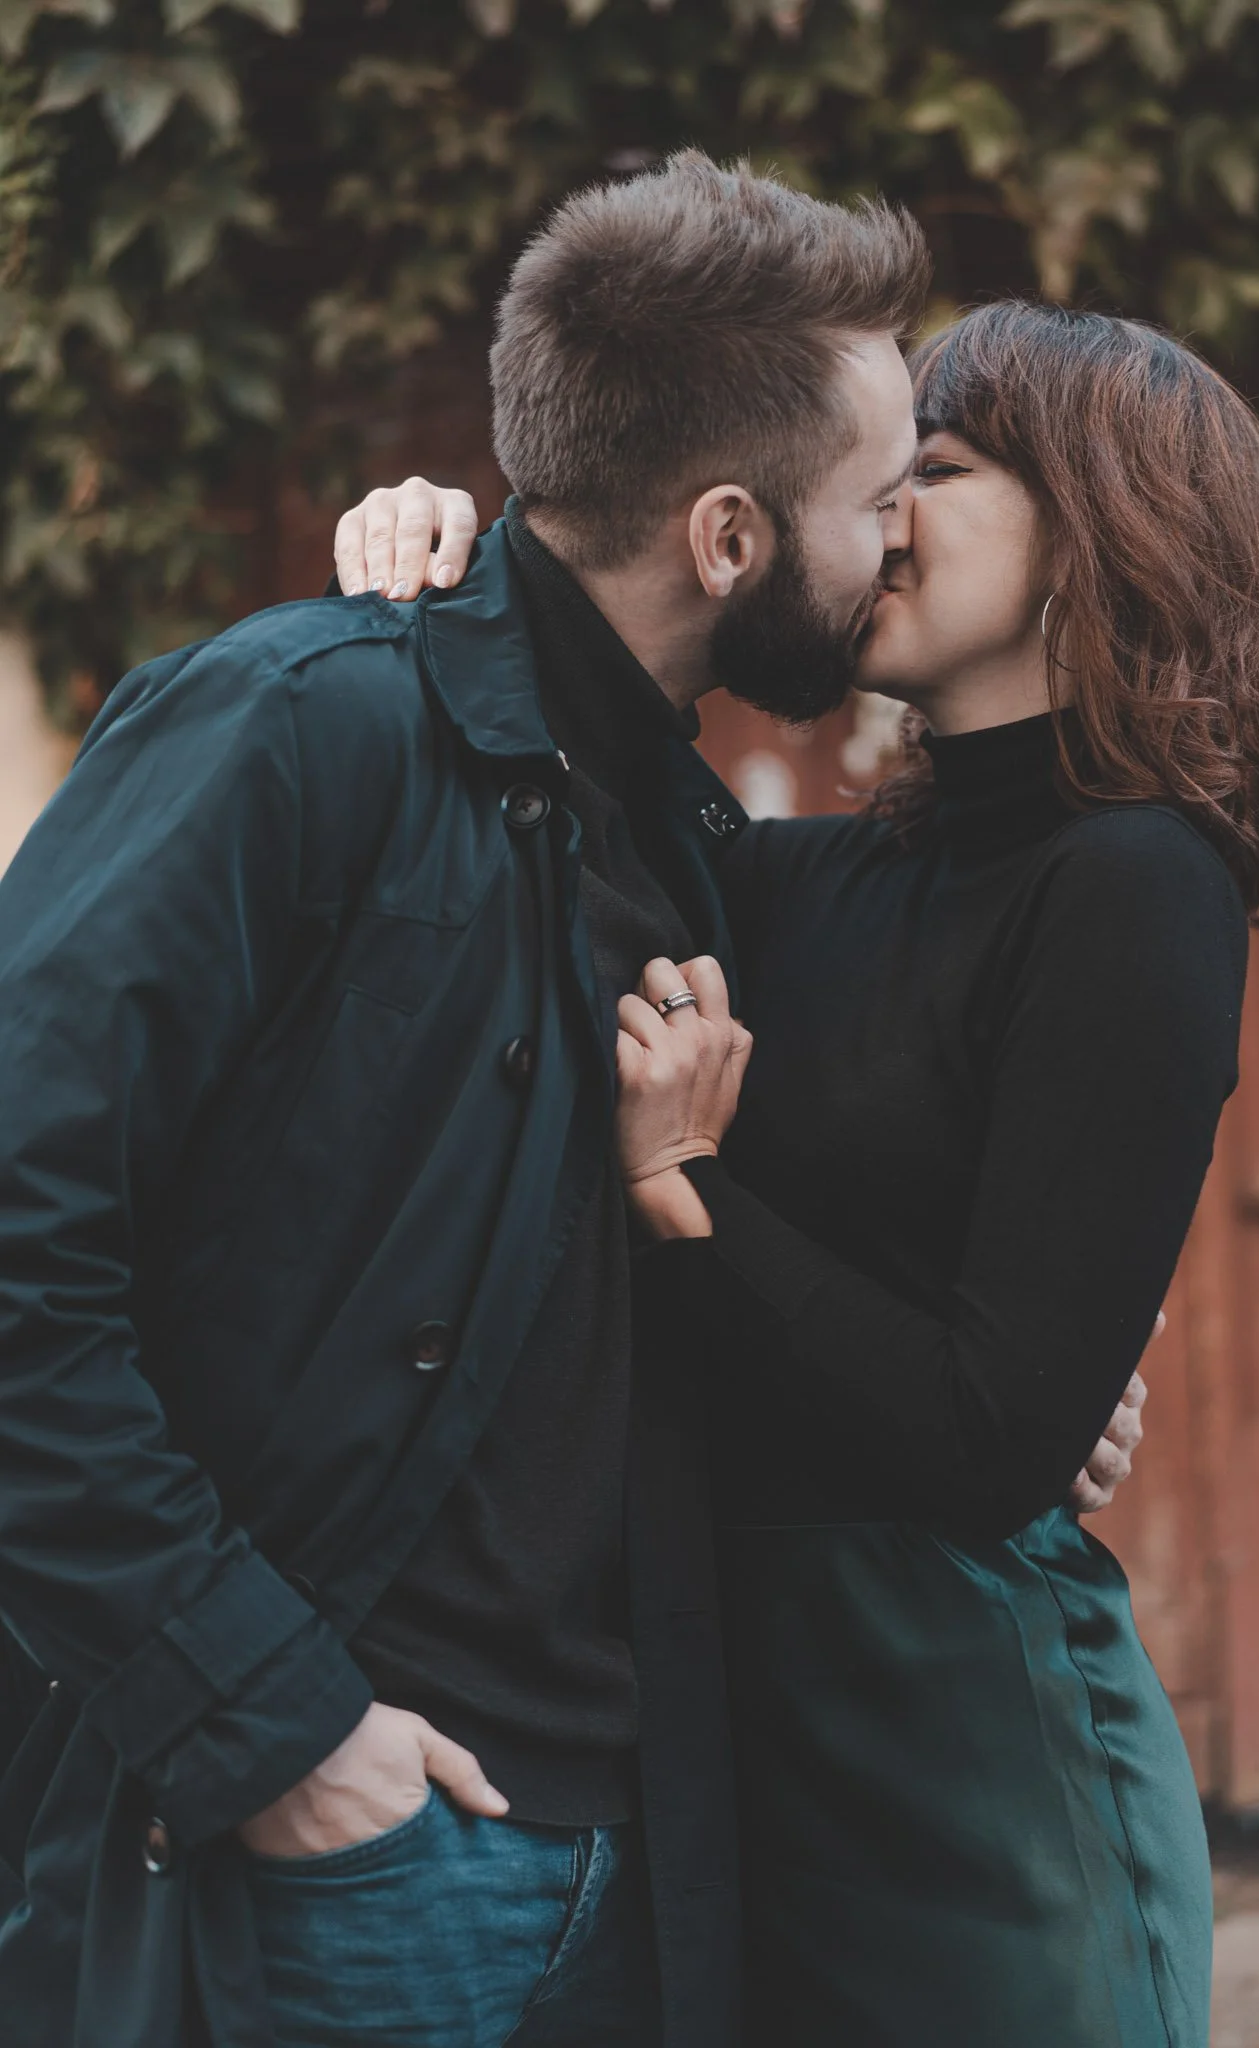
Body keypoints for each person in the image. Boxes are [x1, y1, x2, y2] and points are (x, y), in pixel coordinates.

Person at [0, 153, 941, 2048]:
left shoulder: (680, 836)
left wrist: (1014, 1383)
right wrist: (273, 1726)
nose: (905, 539)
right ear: (729, 538)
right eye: (882, 499)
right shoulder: (298, 725)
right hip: (340, 1858)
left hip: (644, 1849)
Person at [346, 301, 1259, 2046]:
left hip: (971, 1767)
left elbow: (990, 1439)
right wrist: (450, 554)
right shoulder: (789, 878)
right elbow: (567, 768)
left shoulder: (1135, 883)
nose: (875, 515)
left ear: (1100, 522)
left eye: (930, 472)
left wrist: (689, 1197)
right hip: (731, 1741)